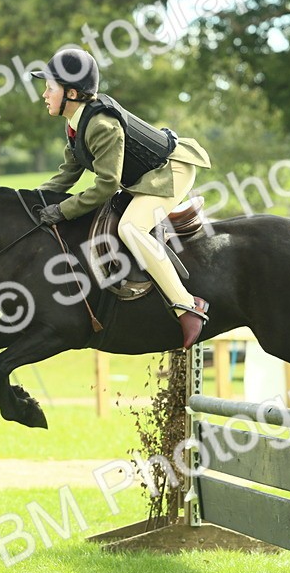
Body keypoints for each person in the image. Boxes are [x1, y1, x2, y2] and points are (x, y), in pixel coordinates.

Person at [32, 48, 214, 348]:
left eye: (50, 87)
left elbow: (106, 185)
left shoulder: (101, 125)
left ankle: (187, 306)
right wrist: (32, 200)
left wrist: (62, 210)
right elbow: (67, 173)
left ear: (72, 93)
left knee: (131, 228)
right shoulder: (76, 123)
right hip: (146, 176)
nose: (44, 94)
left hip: (171, 171)